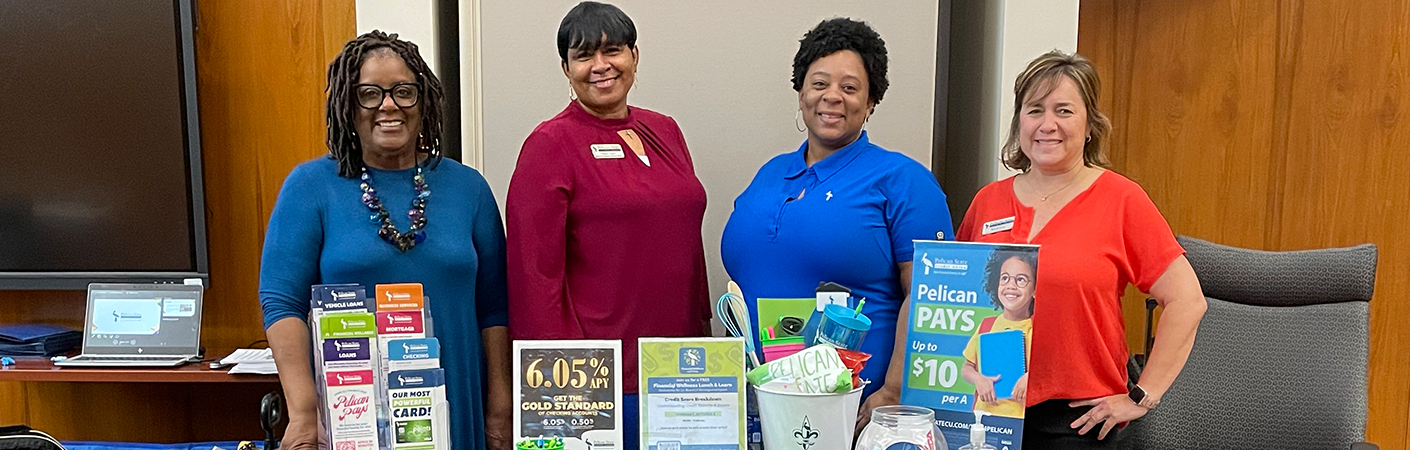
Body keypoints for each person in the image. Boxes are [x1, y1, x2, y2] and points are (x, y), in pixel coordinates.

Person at [259, 31, 512, 450]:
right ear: (348, 106)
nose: (388, 105)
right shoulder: (310, 186)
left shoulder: (469, 189)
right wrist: (303, 412)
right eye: (369, 94)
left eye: (403, 92)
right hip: (353, 411)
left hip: (456, 402)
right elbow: (282, 302)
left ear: (423, 102)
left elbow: (494, 309)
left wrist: (500, 407)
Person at [956, 50, 1206, 447]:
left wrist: (1142, 396)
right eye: (1034, 110)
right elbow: (961, 305)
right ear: (1019, 122)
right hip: (990, 415)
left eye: (1064, 111)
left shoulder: (1122, 200)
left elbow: (1187, 301)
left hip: (1078, 424)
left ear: (1090, 125)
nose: (1047, 124)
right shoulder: (988, 202)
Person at [719, 17, 954, 431]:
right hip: (757, 405)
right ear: (801, 93)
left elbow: (931, 299)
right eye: (819, 83)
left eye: (849, 87)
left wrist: (893, 392)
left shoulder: (903, 181)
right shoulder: (770, 174)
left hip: (853, 412)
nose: (832, 96)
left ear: (871, 101)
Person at [505, 3, 711, 449]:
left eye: (612, 50)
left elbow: (687, 244)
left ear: (634, 56)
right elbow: (533, 276)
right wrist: (560, 391)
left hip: (681, 366)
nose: (600, 66)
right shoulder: (549, 144)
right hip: (597, 378)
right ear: (566, 68)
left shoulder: (666, 130)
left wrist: (705, 335)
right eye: (584, 55)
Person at [960, 251, 1036, 419]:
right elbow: (967, 368)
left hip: (1021, 418)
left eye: (1021, 280)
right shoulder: (986, 325)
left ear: (1035, 290)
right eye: (1005, 278)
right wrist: (978, 379)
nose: (1011, 285)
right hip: (983, 415)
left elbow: (1052, 372)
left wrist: (1032, 378)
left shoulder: (1039, 329)